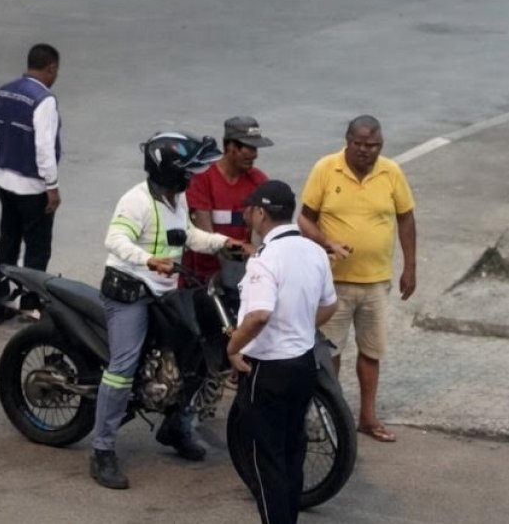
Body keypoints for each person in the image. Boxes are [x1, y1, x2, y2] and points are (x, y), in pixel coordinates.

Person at [90, 131, 246, 490]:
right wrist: (148, 260)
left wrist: (225, 244)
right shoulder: (136, 201)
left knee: (195, 350)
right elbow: (114, 240)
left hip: (165, 292)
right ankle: (102, 449)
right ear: (169, 171)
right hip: (130, 292)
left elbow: (188, 235)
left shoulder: (176, 199)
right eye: (187, 171)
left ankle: (175, 424)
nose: (192, 177)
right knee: (123, 366)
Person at [297, 115, 417, 444]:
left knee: (371, 351)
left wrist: (410, 266)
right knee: (329, 352)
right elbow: (304, 219)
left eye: (373, 145)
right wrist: (326, 243)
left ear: (381, 145)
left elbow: (406, 218)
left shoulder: (391, 172)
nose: (366, 151)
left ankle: (367, 418)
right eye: (360, 144)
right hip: (333, 282)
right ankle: (327, 412)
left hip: (376, 281)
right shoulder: (326, 168)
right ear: (348, 141)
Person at [227, 180, 338, 524]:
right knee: (292, 454)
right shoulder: (315, 251)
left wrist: (233, 347)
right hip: (304, 366)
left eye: (250, 212)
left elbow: (259, 314)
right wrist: (301, 326)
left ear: (261, 213)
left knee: (267, 462)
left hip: (269, 370)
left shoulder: (265, 259)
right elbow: (329, 305)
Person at [0, 44, 62, 326]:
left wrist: (3, 150)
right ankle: (30, 306)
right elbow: (44, 147)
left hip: (4, 180)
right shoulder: (43, 100)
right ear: (51, 68)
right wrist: (52, 185)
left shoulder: (5, 90)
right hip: (33, 188)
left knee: (8, 241)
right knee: (37, 248)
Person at [182, 116, 273, 284]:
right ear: (229, 146)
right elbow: (206, 235)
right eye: (249, 148)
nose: (254, 155)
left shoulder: (259, 181)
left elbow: (268, 228)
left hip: (244, 275)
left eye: (256, 149)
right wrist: (237, 247)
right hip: (203, 276)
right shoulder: (202, 179)